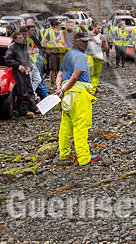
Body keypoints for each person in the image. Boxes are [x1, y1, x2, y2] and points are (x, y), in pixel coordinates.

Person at [55, 32, 100, 166]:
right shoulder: (80, 57)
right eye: (83, 41)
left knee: (66, 127)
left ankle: (63, 155)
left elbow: (60, 74)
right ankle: (84, 157)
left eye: (87, 41)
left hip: (67, 96)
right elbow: (75, 76)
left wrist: (60, 89)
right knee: (81, 126)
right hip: (78, 95)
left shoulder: (68, 55)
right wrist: (62, 90)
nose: (86, 44)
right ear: (75, 41)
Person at [5, 26, 40, 117]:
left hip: (26, 71)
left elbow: (28, 58)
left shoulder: (24, 47)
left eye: (22, 38)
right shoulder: (12, 48)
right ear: (15, 39)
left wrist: (29, 67)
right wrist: (18, 65)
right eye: (20, 38)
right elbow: (8, 59)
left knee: (30, 89)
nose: (22, 39)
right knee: (22, 91)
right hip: (18, 72)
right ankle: (23, 110)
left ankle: (33, 107)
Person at [26, 21, 49, 100]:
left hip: (35, 62)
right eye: (32, 30)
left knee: (38, 80)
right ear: (27, 30)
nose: (33, 32)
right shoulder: (27, 40)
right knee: (36, 81)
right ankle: (38, 97)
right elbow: (29, 51)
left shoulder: (32, 39)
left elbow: (37, 49)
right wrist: (33, 50)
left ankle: (39, 96)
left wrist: (34, 50)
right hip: (31, 64)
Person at [85, 23, 107, 92]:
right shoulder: (87, 35)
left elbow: (105, 48)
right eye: (98, 28)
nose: (99, 30)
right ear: (94, 27)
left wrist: (103, 46)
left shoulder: (102, 37)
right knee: (90, 69)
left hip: (99, 56)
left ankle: (93, 89)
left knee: (97, 74)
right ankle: (88, 86)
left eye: (100, 29)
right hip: (89, 55)